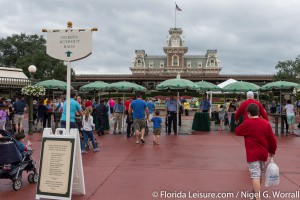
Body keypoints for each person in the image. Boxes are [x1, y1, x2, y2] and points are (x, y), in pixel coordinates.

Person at [235, 104, 277, 200]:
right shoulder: (266, 123)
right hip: (263, 153)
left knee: (255, 175)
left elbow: (237, 131)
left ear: (248, 113)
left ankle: (257, 197)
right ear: (258, 112)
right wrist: (272, 151)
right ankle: (255, 193)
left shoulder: (247, 123)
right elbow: (272, 139)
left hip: (252, 154)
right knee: (260, 173)